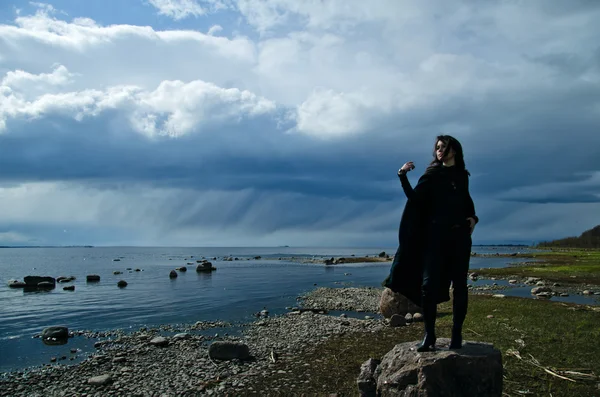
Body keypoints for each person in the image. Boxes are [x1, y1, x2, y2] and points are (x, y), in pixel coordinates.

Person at [382, 135, 479, 352]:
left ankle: (456, 334)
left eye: (443, 147)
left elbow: (466, 201)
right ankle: (430, 335)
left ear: (454, 150)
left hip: (460, 238)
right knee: (428, 286)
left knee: (460, 287)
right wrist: (402, 176)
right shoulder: (433, 174)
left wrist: (473, 217)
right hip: (435, 238)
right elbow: (415, 201)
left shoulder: (462, 176)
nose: (439, 150)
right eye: (437, 147)